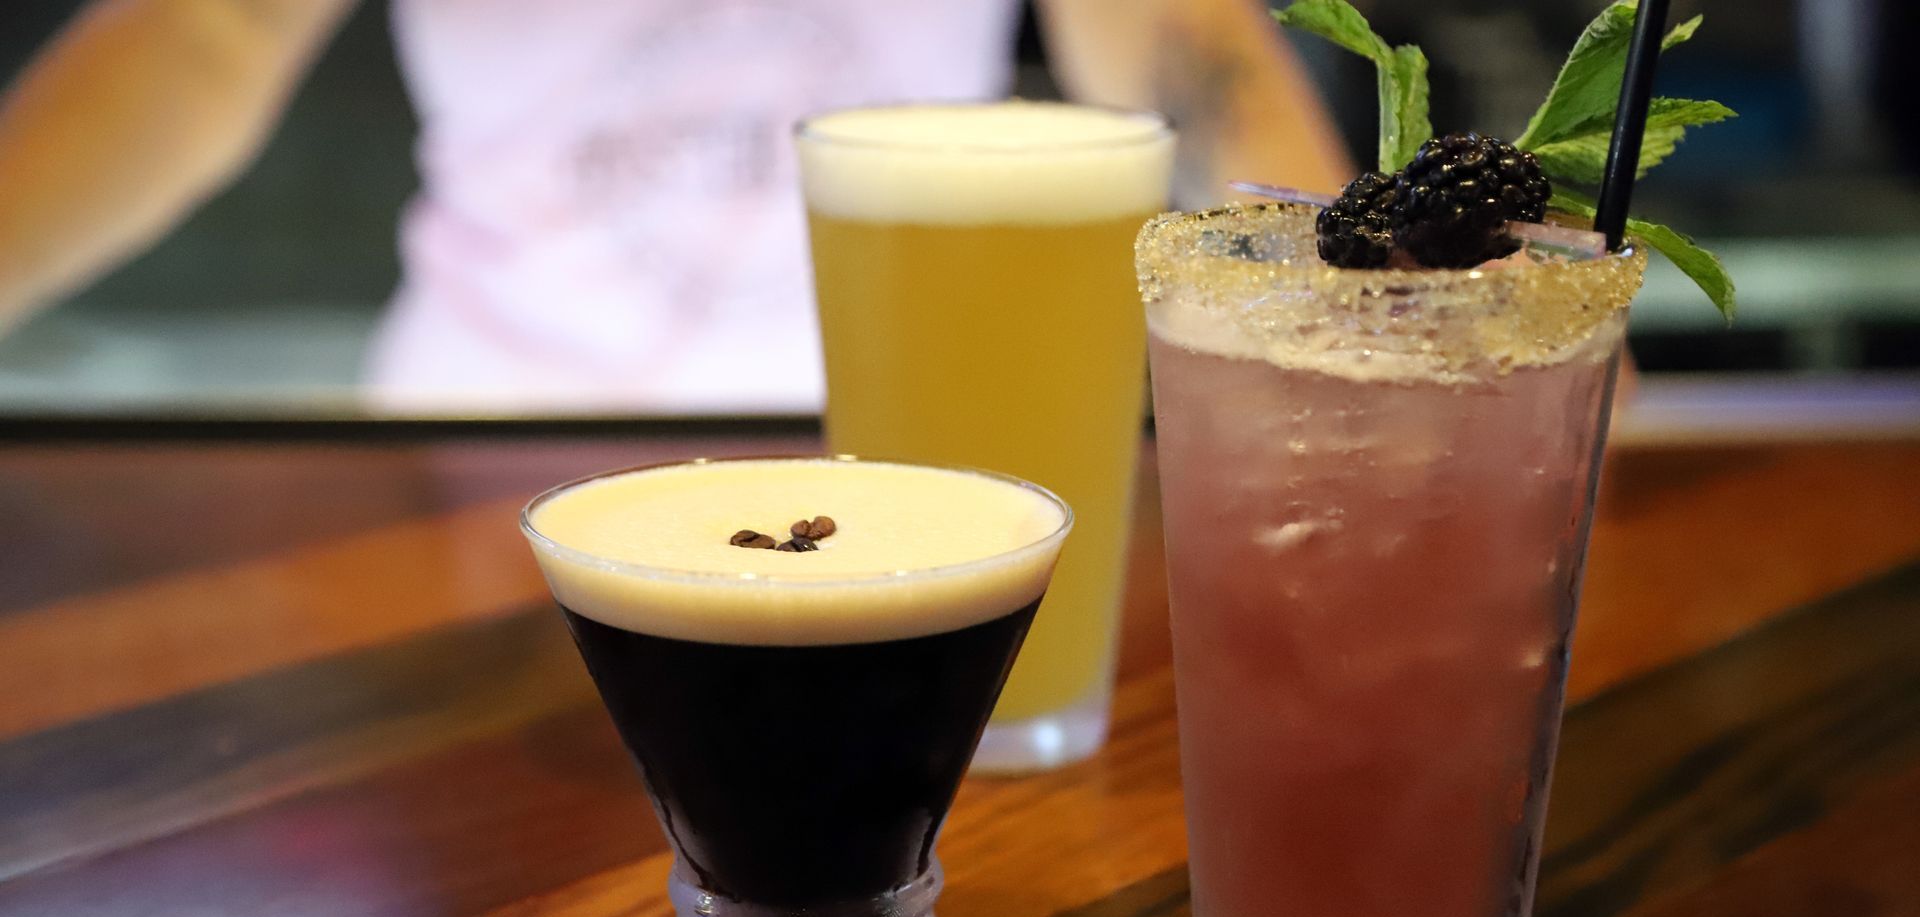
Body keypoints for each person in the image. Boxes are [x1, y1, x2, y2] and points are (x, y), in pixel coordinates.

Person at [0, 0, 1350, 412]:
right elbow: (204, 33)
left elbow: (1180, 38)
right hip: (494, 436)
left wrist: (1356, 319)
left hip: (896, 431)